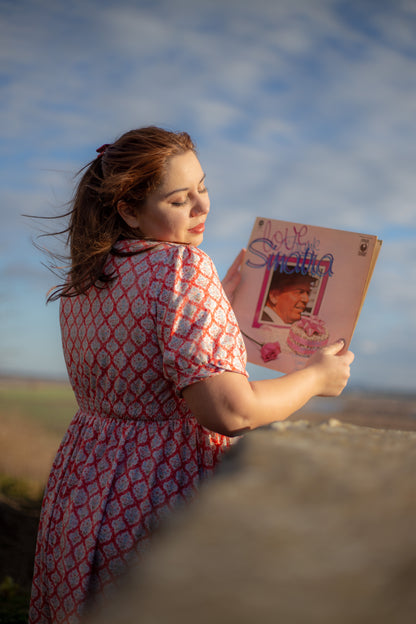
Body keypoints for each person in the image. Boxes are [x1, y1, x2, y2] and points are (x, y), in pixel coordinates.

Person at [29, 126, 354, 624]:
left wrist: (212, 298)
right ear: (129, 210)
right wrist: (317, 378)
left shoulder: (84, 279)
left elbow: (141, 345)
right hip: (160, 492)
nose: (202, 208)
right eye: (181, 200)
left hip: (80, 489)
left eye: (202, 187)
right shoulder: (182, 267)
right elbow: (230, 410)